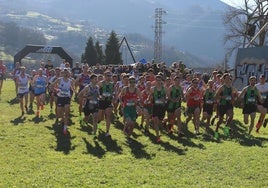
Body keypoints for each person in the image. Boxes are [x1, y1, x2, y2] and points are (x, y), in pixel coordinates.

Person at [50, 68, 75, 135]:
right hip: (60, 98)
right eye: (64, 72)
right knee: (59, 114)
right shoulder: (59, 79)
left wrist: (73, 93)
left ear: (69, 73)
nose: (66, 74)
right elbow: (52, 85)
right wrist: (55, 90)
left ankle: (65, 128)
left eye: (67, 73)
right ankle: (62, 120)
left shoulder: (71, 81)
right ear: (62, 73)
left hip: (67, 98)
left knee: (66, 113)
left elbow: (73, 88)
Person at [120, 76, 141, 143]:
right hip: (126, 108)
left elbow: (140, 98)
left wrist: (137, 101)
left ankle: (128, 137)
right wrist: (121, 103)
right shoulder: (125, 89)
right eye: (131, 82)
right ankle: (125, 128)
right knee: (129, 122)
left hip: (133, 109)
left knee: (132, 125)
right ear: (128, 82)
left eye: (133, 82)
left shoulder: (137, 90)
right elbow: (120, 97)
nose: (132, 83)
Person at [214, 73, 235, 139]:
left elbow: (232, 95)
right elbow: (216, 95)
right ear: (224, 79)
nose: (228, 79)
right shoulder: (222, 87)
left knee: (231, 116)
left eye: (229, 78)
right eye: (226, 78)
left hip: (229, 104)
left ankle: (226, 127)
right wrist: (222, 97)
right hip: (222, 104)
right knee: (220, 120)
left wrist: (233, 99)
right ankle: (216, 130)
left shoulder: (231, 87)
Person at [149, 74, 167, 143]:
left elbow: (167, 97)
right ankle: (158, 136)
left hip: (162, 107)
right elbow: (150, 97)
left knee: (159, 122)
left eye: (159, 80)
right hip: (155, 107)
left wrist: (164, 100)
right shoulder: (152, 89)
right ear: (155, 81)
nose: (158, 81)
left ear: (161, 81)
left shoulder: (164, 89)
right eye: (157, 80)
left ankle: (162, 125)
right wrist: (149, 99)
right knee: (155, 121)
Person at [98, 70, 115, 137]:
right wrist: (99, 96)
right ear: (104, 76)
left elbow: (113, 92)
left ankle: (107, 131)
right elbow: (96, 91)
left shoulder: (112, 84)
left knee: (108, 116)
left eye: (110, 75)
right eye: (107, 75)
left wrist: (113, 97)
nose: (109, 77)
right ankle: (98, 122)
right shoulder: (101, 83)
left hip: (108, 102)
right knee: (101, 117)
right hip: (101, 102)